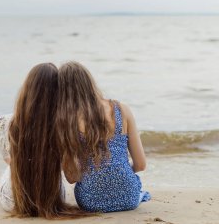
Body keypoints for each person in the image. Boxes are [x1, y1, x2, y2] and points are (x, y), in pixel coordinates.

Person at [56, 61, 151, 213]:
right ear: (89, 82)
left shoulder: (67, 121)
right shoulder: (122, 109)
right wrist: (119, 173)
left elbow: (72, 176)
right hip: (129, 197)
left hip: (90, 201)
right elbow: (140, 165)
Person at [0, 63, 87, 219]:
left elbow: (8, 160)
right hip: (53, 200)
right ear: (58, 93)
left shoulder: (7, 121)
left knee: (9, 169)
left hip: (14, 200)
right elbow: (72, 173)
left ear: (27, 89)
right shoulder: (64, 125)